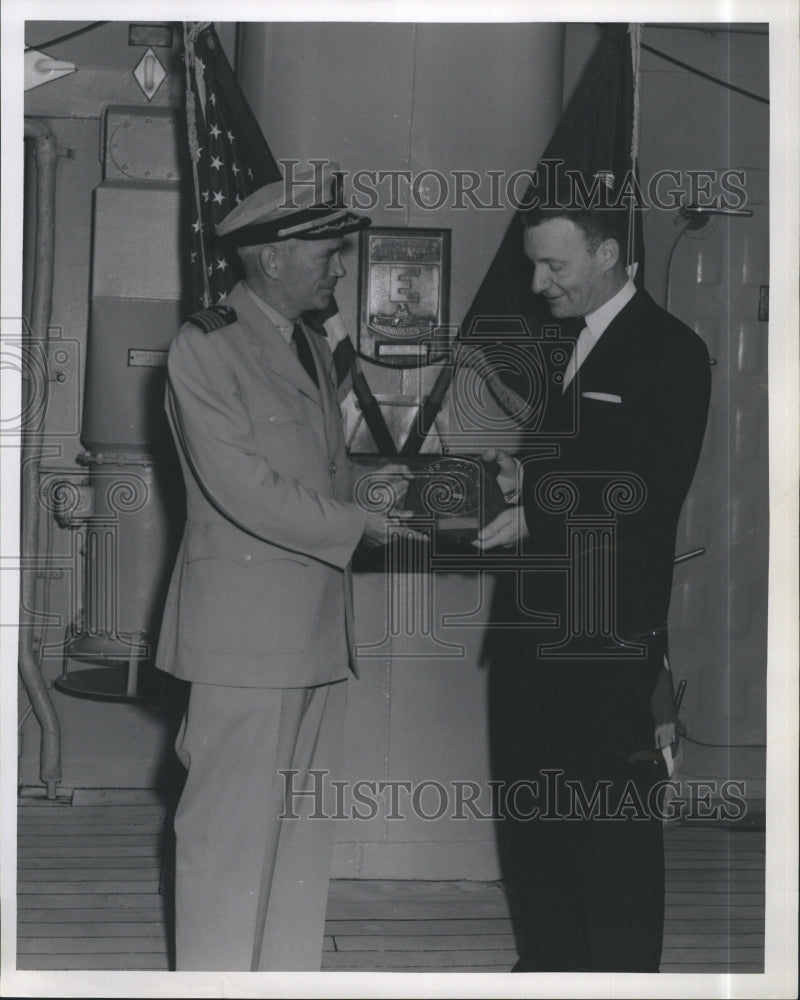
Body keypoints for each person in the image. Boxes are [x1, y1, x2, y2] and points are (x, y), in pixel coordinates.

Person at [155, 164, 410, 971]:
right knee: (228, 844)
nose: (340, 267)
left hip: (311, 634)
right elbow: (244, 489)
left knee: (298, 844)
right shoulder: (206, 347)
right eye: (330, 253)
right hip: (244, 639)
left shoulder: (300, 341)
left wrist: (374, 486)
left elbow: (311, 473)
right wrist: (358, 521)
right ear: (272, 258)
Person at [474, 194, 711, 972]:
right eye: (533, 263)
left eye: (555, 264)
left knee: (610, 826)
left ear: (608, 255)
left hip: (605, 635)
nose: (539, 282)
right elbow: (579, 466)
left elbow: (649, 484)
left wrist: (537, 507)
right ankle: (547, 969)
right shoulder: (566, 345)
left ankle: (617, 980)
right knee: (535, 816)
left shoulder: (669, 350)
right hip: (531, 630)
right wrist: (520, 473)